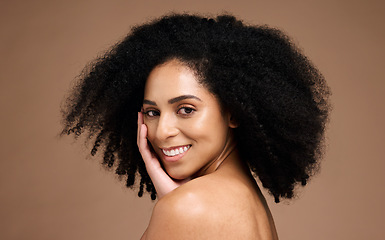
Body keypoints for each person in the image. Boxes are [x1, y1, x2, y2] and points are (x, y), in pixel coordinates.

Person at [61, 13, 331, 239]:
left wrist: (174, 205)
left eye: (186, 109)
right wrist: (170, 198)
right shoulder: (248, 201)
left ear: (233, 112)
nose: (162, 130)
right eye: (152, 112)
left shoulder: (192, 206)